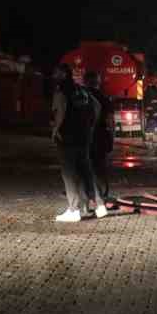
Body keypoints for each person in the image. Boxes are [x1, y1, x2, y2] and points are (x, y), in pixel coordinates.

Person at [51, 64, 105, 221]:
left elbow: (60, 111)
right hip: (84, 136)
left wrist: (55, 131)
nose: (54, 76)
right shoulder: (82, 90)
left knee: (69, 173)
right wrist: (90, 126)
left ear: (62, 75)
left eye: (56, 73)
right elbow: (97, 107)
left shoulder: (61, 91)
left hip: (68, 138)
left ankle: (74, 210)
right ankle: (100, 205)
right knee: (86, 171)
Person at [84, 70, 114, 209]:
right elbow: (110, 121)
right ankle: (101, 196)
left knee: (86, 167)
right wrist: (111, 137)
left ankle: (89, 199)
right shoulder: (104, 98)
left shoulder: (82, 97)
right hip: (100, 137)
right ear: (98, 82)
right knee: (100, 167)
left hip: (84, 137)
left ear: (85, 81)